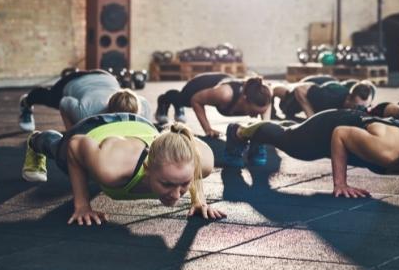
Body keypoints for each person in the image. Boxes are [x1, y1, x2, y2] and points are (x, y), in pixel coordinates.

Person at [20, 113, 224, 224]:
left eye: (184, 184)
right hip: (95, 129)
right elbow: (75, 145)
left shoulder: (202, 161)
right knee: (61, 152)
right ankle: (37, 139)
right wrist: (82, 206)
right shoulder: (111, 168)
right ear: (148, 167)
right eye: (167, 184)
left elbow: (190, 155)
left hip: (139, 125)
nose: (176, 195)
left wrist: (199, 200)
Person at [223, 108, 399, 199]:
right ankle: (240, 131)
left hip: (358, 125)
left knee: (289, 133)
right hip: (328, 127)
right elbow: (340, 133)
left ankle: (256, 136)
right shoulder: (388, 151)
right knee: (291, 143)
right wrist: (340, 183)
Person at [18, 69, 152, 131]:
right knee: (51, 98)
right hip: (73, 80)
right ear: (109, 111)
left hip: (106, 75)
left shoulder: (143, 106)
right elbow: (65, 102)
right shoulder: (86, 113)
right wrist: (71, 133)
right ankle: (26, 103)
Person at [155, 73, 273, 137]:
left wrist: (265, 128)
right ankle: (164, 100)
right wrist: (208, 129)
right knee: (185, 100)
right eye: (254, 112)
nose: (255, 116)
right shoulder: (224, 95)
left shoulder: (263, 95)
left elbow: (265, 110)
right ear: (244, 100)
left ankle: (177, 106)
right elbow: (196, 100)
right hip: (200, 85)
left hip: (221, 83)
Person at [274, 77, 377, 120]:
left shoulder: (358, 98)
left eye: (361, 107)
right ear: (348, 99)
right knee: (288, 98)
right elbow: (299, 90)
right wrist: (312, 117)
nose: (358, 110)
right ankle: (270, 87)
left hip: (328, 83)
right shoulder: (329, 97)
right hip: (311, 86)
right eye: (356, 106)